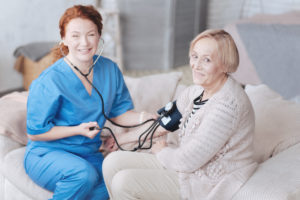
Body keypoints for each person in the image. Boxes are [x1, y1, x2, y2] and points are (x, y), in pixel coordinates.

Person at [102, 29, 258, 200]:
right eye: (195, 56)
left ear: (225, 64)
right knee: (112, 162)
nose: (196, 65)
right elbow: (164, 124)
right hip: (186, 165)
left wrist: (162, 151)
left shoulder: (228, 106)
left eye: (207, 59)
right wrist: (120, 140)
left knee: (124, 182)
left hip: (207, 181)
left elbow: (188, 161)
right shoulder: (196, 92)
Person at [24, 5, 153, 200]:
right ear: (64, 39)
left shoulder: (110, 70)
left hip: (88, 153)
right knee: (82, 175)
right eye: (75, 36)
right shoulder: (49, 80)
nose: (84, 42)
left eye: (90, 34)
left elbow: (119, 113)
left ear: (99, 36)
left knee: (109, 187)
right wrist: (78, 130)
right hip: (47, 154)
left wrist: (146, 117)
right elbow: (35, 133)